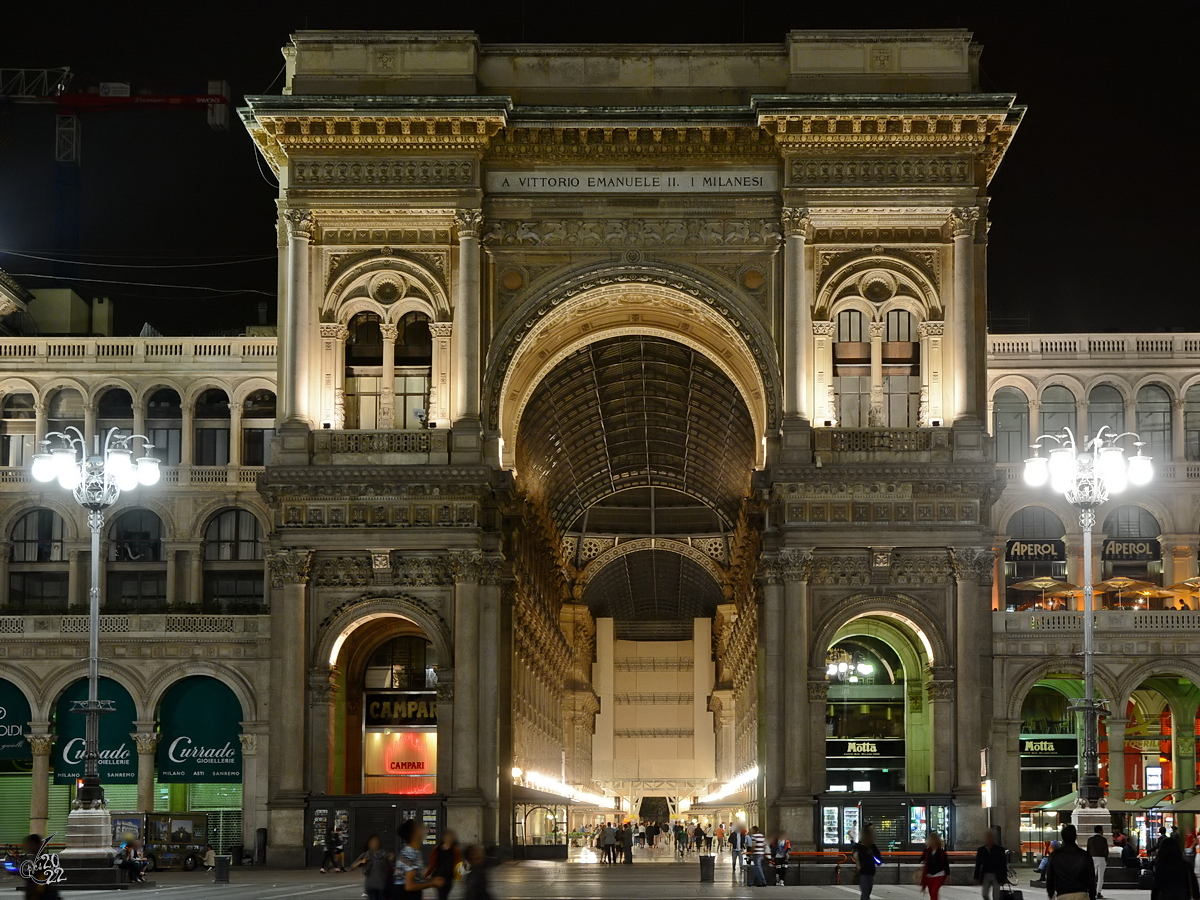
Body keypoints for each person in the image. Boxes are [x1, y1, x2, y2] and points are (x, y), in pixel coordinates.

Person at [394, 818, 445, 900]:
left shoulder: (415, 852)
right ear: (414, 833)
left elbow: (416, 879)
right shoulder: (410, 853)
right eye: (419, 827)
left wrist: (432, 880)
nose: (423, 828)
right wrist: (432, 883)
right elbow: (409, 886)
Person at [1046, 824, 1098, 900]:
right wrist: (1092, 895)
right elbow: (1090, 878)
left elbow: (1050, 876)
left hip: (1063, 893)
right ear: (1075, 837)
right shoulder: (1084, 855)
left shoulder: (1055, 855)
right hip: (1081, 893)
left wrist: (1051, 894)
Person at [350, 834, 393, 900]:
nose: (374, 844)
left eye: (375, 842)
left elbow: (390, 870)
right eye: (372, 842)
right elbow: (352, 867)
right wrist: (361, 862)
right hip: (370, 886)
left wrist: (390, 860)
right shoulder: (366, 855)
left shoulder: (385, 855)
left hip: (382, 886)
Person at [426, 829, 461, 900]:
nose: (449, 838)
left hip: (448, 878)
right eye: (447, 836)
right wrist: (426, 875)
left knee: (443, 896)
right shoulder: (437, 849)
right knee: (442, 896)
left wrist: (459, 875)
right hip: (438, 877)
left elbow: (457, 864)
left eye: (451, 837)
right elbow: (432, 864)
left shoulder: (455, 850)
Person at [974, 829, 1009, 900]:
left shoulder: (999, 850)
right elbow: (978, 864)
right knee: (984, 894)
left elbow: (1003, 864)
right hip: (986, 874)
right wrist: (976, 877)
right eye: (987, 837)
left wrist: (1004, 877)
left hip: (996, 874)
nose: (989, 839)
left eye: (990, 837)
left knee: (996, 896)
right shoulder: (982, 850)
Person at [853, 824, 881, 900]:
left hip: (870, 872)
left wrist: (873, 855)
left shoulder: (872, 847)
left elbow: (879, 860)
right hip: (863, 872)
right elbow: (857, 857)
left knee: (867, 892)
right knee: (865, 893)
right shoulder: (859, 847)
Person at [921, 832, 949, 900]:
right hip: (929, 874)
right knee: (931, 892)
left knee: (934, 891)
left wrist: (948, 875)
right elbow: (921, 859)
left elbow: (945, 864)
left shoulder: (941, 852)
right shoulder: (927, 851)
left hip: (939, 874)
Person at [1088, 825, 1110, 899]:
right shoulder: (1103, 839)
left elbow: (1088, 850)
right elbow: (1106, 851)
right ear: (1100, 830)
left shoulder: (1090, 839)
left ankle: (1091, 891)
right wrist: (1106, 859)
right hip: (1101, 858)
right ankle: (1098, 892)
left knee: (1092, 876)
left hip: (1092, 858)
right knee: (1100, 877)